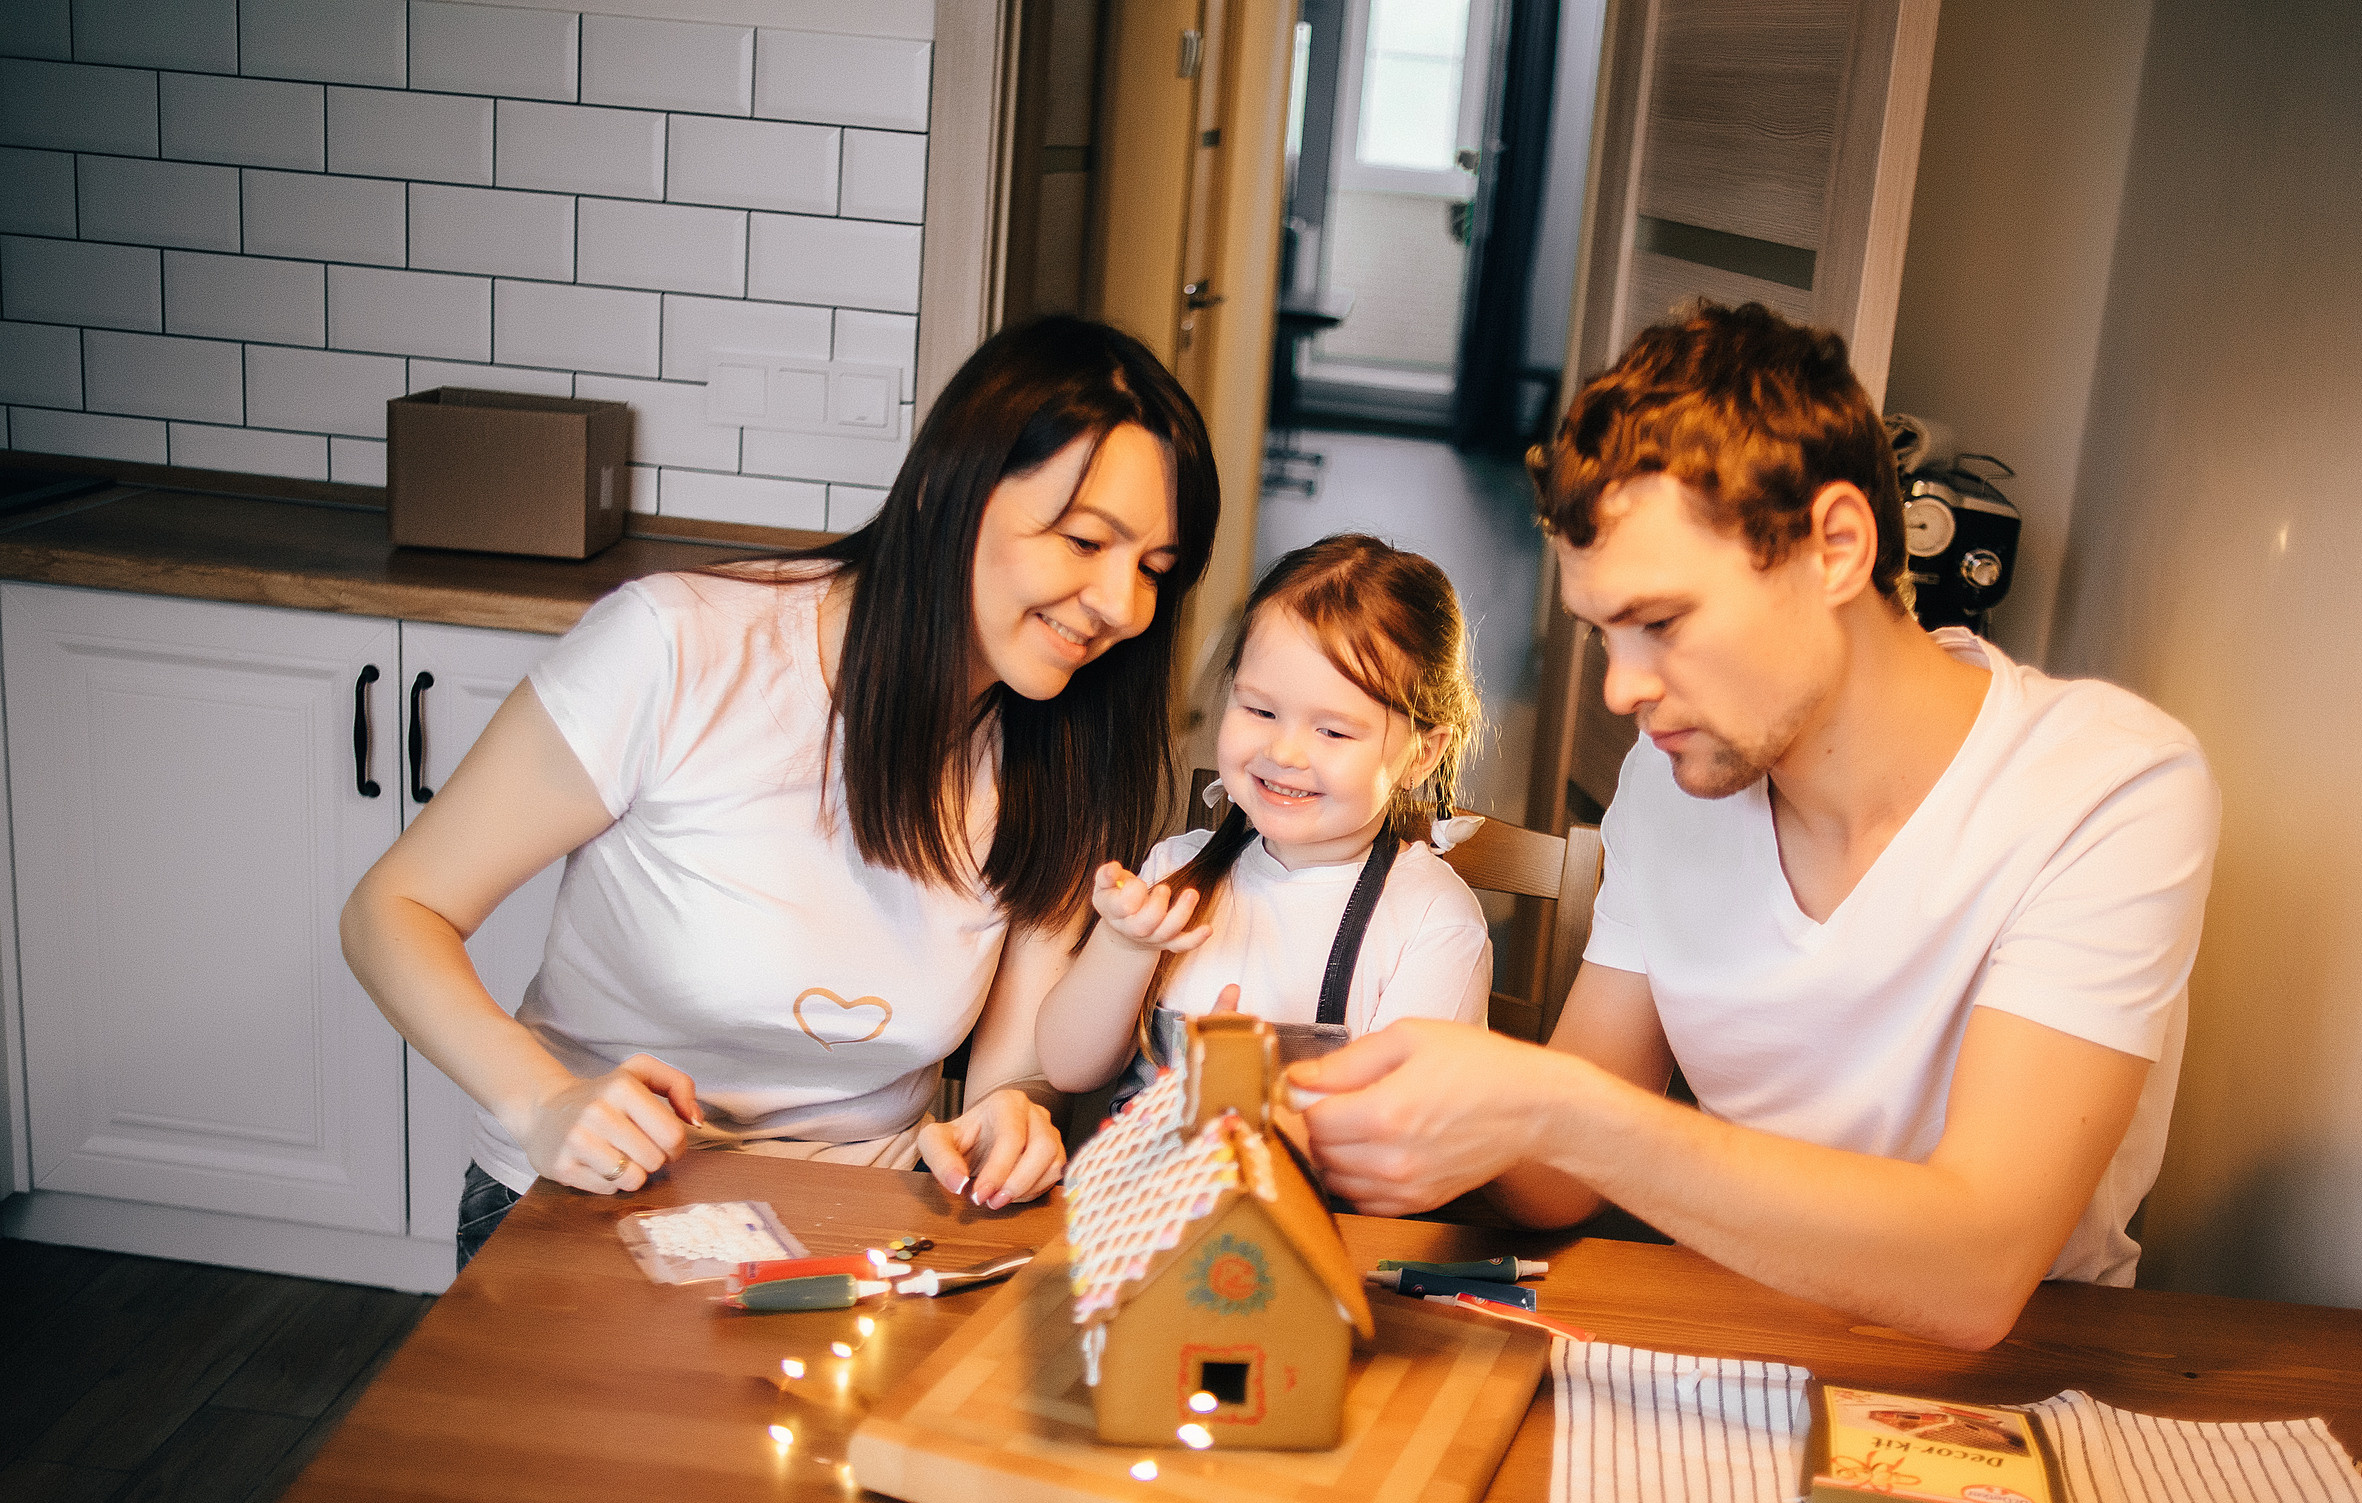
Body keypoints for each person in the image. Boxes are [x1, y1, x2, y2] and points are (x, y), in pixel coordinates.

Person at [1289, 301, 2220, 1350]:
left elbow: (1976, 1268)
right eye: (1604, 634)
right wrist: (1370, 1098)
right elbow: (1557, 1172)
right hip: (1735, 1343)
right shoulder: (1670, 780)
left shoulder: (2104, 785)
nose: (1620, 690)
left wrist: (1555, 1105)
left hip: (2017, 1382)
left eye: (1662, 623)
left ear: (1834, 546)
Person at [341, 316, 1218, 1265]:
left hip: (859, 1235)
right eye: (1086, 540)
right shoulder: (679, 647)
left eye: (1155, 571)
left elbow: (1015, 1072)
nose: (1124, 606)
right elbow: (393, 909)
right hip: (587, 1206)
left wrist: (1011, 1116)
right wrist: (542, 1100)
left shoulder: (1062, 740)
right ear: (941, 493)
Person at [1036, 534, 1492, 1099]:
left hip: (1309, 1189)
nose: (1284, 754)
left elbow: (1405, 1135)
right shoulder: (1173, 874)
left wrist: (1241, 1103)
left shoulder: (1430, 919)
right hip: (1139, 1188)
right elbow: (1066, 1068)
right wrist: (1126, 947)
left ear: (1421, 754)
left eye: (1333, 731)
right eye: (1259, 710)